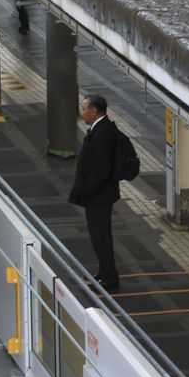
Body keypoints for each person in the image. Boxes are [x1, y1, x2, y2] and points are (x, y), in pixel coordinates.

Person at [67, 94, 120, 293]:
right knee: (99, 236)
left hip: (99, 197)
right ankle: (104, 272)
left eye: (84, 109)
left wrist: (86, 191)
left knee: (101, 237)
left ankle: (110, 278)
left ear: (94, 111)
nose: (82, 113)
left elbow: (100, 170)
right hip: (99, 195)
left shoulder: (103, 133)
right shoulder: (101, 129)